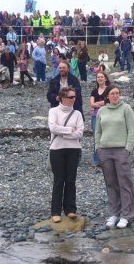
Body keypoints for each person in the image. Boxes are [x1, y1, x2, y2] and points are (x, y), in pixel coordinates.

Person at [95, 84, 134, 228]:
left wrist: (128, 149)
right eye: (112, 93)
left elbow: (132, 130)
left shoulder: (126, 108)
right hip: (105, 150)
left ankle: (126, 214)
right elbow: (98, 131)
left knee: (125, 183)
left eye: (117, 93)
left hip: (121, 151)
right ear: (107, 96)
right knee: (111, 183)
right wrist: (97, 148)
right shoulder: (102, 110)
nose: (115, 96)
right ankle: (114, 213)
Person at [48, 87, 84, 223]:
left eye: (74, 97)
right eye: (71, 97)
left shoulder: (77, 114)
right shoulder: (53, 111)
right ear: (63, 98)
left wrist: (63, 133)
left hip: (74, 150)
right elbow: (53, 128)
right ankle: (55, 211)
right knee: (58, 180)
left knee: (71, 180)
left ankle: (70, 209)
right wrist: (70, 130)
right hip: (57, 149)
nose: (74, 99)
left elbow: (80, 133)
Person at [90, 72, 110, 167]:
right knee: (96, 138)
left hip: (107, 116)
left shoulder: (109, 90)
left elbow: (109, 101)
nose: (100, 78)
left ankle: (107, 159)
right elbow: (91, 104)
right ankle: (96, 160)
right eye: (98, 77)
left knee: (107, 136)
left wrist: (98, 103)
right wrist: (103, 103)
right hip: (95, 117)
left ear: (105, 78)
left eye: (102, 77)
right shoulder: (94, 91)